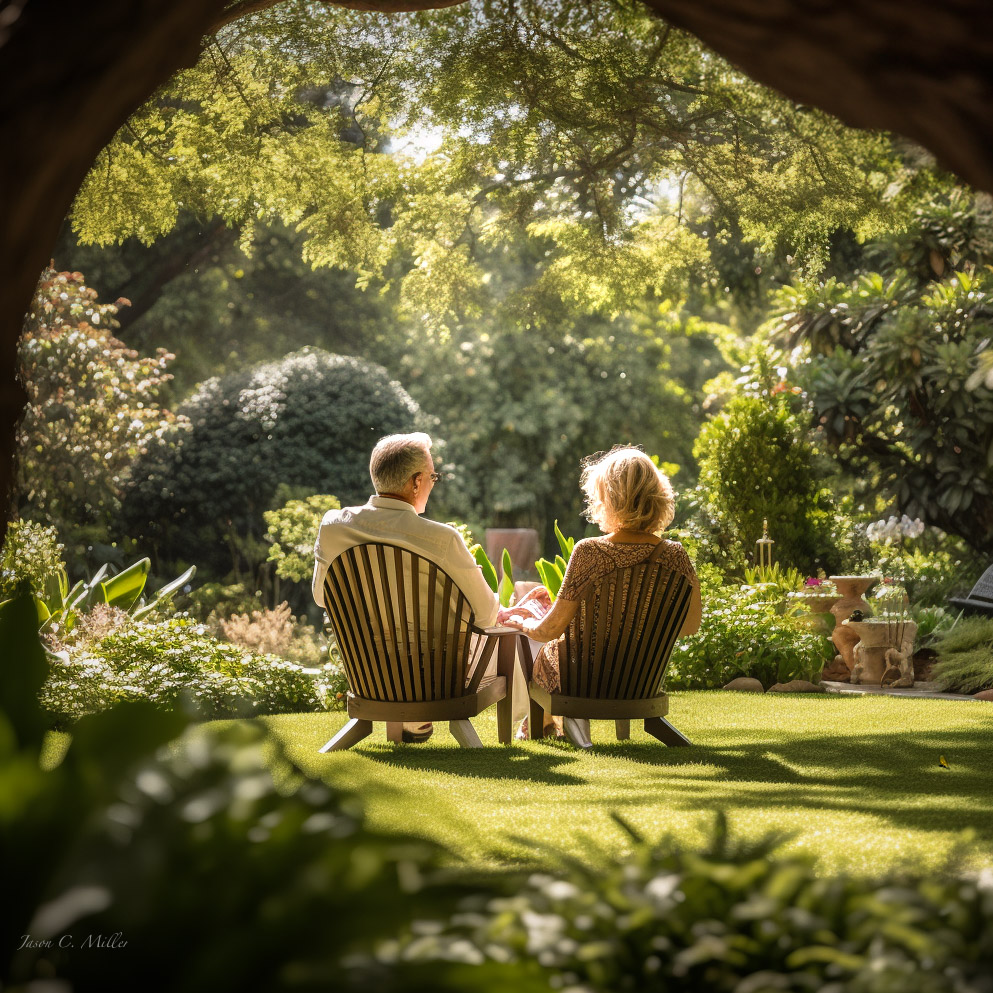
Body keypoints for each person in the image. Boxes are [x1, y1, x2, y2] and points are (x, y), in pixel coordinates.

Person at [312, 431, 526, 742]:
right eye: (432, 476)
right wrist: (504, 611)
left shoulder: (333, 526)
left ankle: (411, 723)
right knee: (514, 636)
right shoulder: (442, 539)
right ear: (415, 482)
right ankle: (524, 728)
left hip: (370, 674)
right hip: (437, 681)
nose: (432, 484)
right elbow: (485, 617)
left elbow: (322, 597)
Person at [498, 446, 702, 742]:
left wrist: (523, 622)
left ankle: (540, 725)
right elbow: (690, 626)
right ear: (658, 495)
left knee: (547, 651)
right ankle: (541, 725)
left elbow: (550, 630)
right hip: (639, 680)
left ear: (608, 497)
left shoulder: (590, 552)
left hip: (583, 682)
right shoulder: (675, 556)